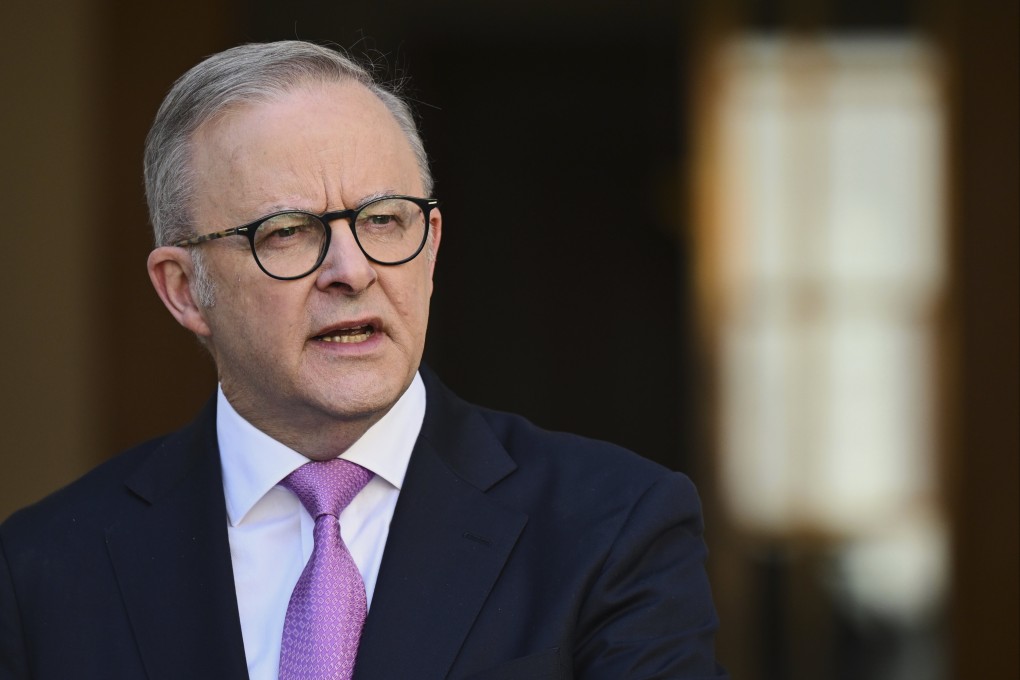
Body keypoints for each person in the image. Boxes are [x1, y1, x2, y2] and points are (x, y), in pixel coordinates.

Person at [0, 41, 727, 680]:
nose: (351, 269)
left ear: (432, 245)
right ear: (186, 290)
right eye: (286, 232)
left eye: (383, 220)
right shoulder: (43, 570)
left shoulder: (613, 524)